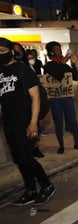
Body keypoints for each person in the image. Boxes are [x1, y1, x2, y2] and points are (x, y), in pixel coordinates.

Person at [0, 37, 55, 206]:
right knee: (18, 158)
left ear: (11, 51)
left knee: (26, 157)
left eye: (2, 51)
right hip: (9, 122)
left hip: (25, 121)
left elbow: (36, 98)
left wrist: (32, 123)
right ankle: (30, 190)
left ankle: (46, 186)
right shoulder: (0, 72)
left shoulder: (23, 70)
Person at [43, 41, 78, 154]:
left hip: (67, 97)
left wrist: (73, 64)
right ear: (52, 52)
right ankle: (61, 145)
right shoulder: (48, 66)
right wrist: (63, 63)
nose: (60, 51)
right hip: (55, 99)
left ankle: (76, 143)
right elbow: (57, 76)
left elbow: (75, 77)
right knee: (58, 122)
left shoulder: (65, 64)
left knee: (73, 120)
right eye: (57, 49)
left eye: (60, 49)